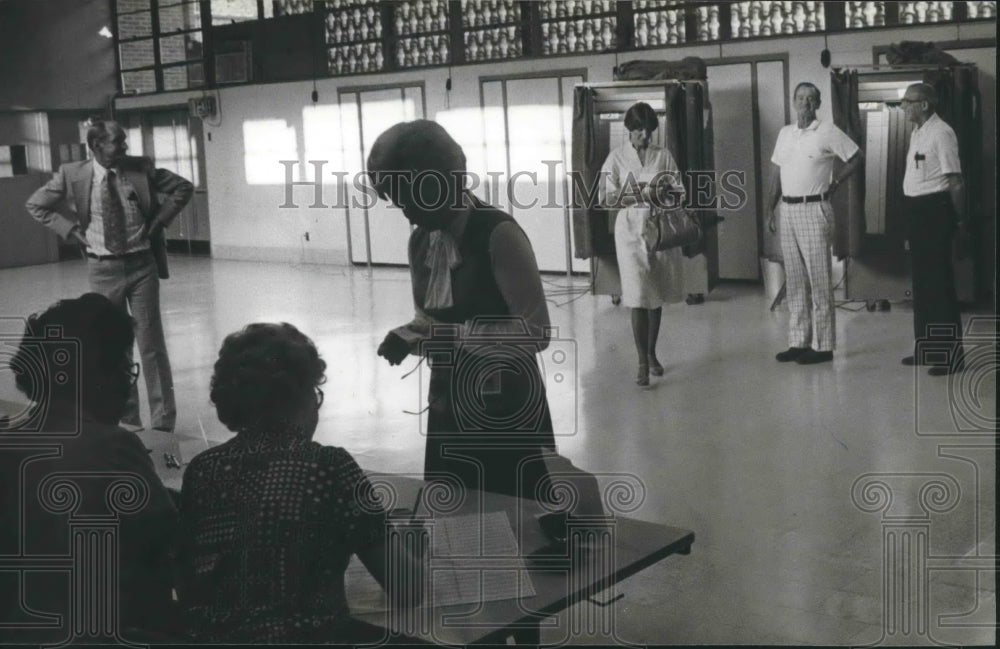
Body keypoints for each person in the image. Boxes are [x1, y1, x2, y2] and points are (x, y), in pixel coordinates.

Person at [177, 323, 424, 643]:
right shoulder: (331, 467)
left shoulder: (202, 470)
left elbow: (187, 588)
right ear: (304, 399)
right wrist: (413, 553)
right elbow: (409, 590)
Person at [367, 119, 557, 501]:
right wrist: (409, 336)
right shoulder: (421, 241)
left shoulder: (499, 234)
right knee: (456, 515)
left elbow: (536, 332)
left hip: (506, 404)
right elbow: (429, 319)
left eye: (410, 200)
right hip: (449, 401)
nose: (407, 215)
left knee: (516, 515)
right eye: (398, 204)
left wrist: (451, 336)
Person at [0, 293, 179, 642]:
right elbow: (165, 541)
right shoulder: (114, 447)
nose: (129, 385)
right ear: (100, 375)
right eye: (126, 369)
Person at [25, 119, 193, 433]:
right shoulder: (72, 174)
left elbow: (183, 188)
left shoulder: (140, 167)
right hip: (102, 270)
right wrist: (71, 230)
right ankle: (128, 420)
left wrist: (159, 222)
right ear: (96, 145)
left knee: (151, 343)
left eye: (124, 141)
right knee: (114, 345)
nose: (125, 146)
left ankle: (162, 423)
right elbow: (37, 205)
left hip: (143, 266)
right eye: (118, 142)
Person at [767, 82, 864, 365]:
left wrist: (835, 182)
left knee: (819, 280)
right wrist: (769, 209)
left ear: (818, 103)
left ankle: (823, 346)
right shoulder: (785, 133)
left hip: (815, 209)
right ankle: (798, 341)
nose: (805, 102)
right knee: (795, 279)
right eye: (800, 97)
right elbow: (776, 172)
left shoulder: (828, 131)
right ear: (793, 101)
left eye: (811, 98)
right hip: (788, 209)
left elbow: (857, 158)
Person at [600, 102, 686, 387]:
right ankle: (640, 361)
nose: (645, 137)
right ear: (629, 130)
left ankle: (651, 353)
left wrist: (664, 193)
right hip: (628, 230)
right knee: (637, 294)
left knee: (655, 292)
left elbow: (680, 193)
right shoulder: (616, 158)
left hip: (658, 228)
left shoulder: (664, 156)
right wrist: (636, 194)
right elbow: (605, 198)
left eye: (649, 131)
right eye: (639, 131)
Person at [899, 82, 966, 376]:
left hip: (936, 211)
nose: (903, 106)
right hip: (917, 211)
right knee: (922, 285)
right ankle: (927, 348)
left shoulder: (942, 132)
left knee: (939, 285)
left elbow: (956, 181)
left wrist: (960, 220)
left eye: (908, 101)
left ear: (924, 104)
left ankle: (951, 356)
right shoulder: (918, 132)